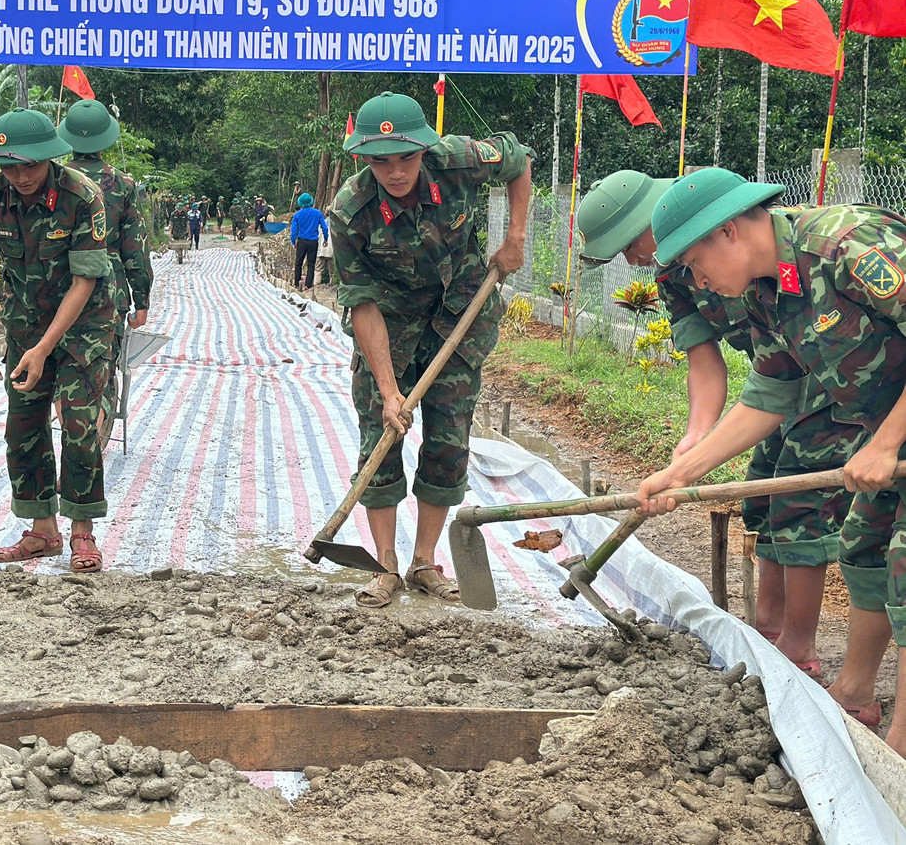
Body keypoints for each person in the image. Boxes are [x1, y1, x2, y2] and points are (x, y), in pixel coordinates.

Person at [633, 167, 906, 754]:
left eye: (692, 263)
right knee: (865, 547)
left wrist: (886, 444)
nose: (695, 280)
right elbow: (769, 395)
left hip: (894, 437)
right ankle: (857, 691)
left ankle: (901, 747)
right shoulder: (767, 295)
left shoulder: (845, 246)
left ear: (728, 232)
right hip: (887, 437)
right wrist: (681, 473)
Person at [577, 171, 851, 674]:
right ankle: (767, 627)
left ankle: (797, 646)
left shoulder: (743, 237)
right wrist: (696, 439)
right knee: (762, 489)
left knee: (797, 497)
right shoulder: (674, 276)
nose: (631, 261)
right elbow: (707, 362)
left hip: (831, 383)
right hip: (778, 382)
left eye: (628, 245)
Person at [330, 91, 532, 607]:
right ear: (364, 159)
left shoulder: (460, 160)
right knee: (380, 437)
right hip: (389, 323)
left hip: (460, 314)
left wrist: (515, 237)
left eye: (405, 158)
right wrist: (388, 389)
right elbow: (363, 304)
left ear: (425, 149)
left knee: (447, 443)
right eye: (380, 162)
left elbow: (520, 160)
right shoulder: (351, 211)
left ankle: (424, 561)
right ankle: (385, 567)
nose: (394, 172)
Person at [0, 108, 115, 574]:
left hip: (84, 324)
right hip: (25, 321)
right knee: (23, 428)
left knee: (79, 425)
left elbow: (84, 282)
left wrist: (45, 350)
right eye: (8, 166)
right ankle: (42, 530)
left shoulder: (83, 197)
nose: (19, 176)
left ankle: (82, 532)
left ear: (49, 158)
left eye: (29, 165)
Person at [58, 101, 153, 446]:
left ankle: (70, 432)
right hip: (107, 287)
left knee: (60, 359)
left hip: (59, 283)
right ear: (107, 139)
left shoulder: (54, 180)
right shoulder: (123, 185)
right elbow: (135, 248)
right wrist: (141, 299)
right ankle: (93, 439)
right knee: (102, 363)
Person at [290, 192, 328, 290]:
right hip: (313, 242)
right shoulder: (318, 213)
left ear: (300, 203)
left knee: (298, 262)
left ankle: (297, 283)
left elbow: (294, 230)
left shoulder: (297, 215)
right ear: (311, 202)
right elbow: (324, 227)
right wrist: (326, 238)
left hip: (301, 241)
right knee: (311, 264)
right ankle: (308, 285)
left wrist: (293, 242)